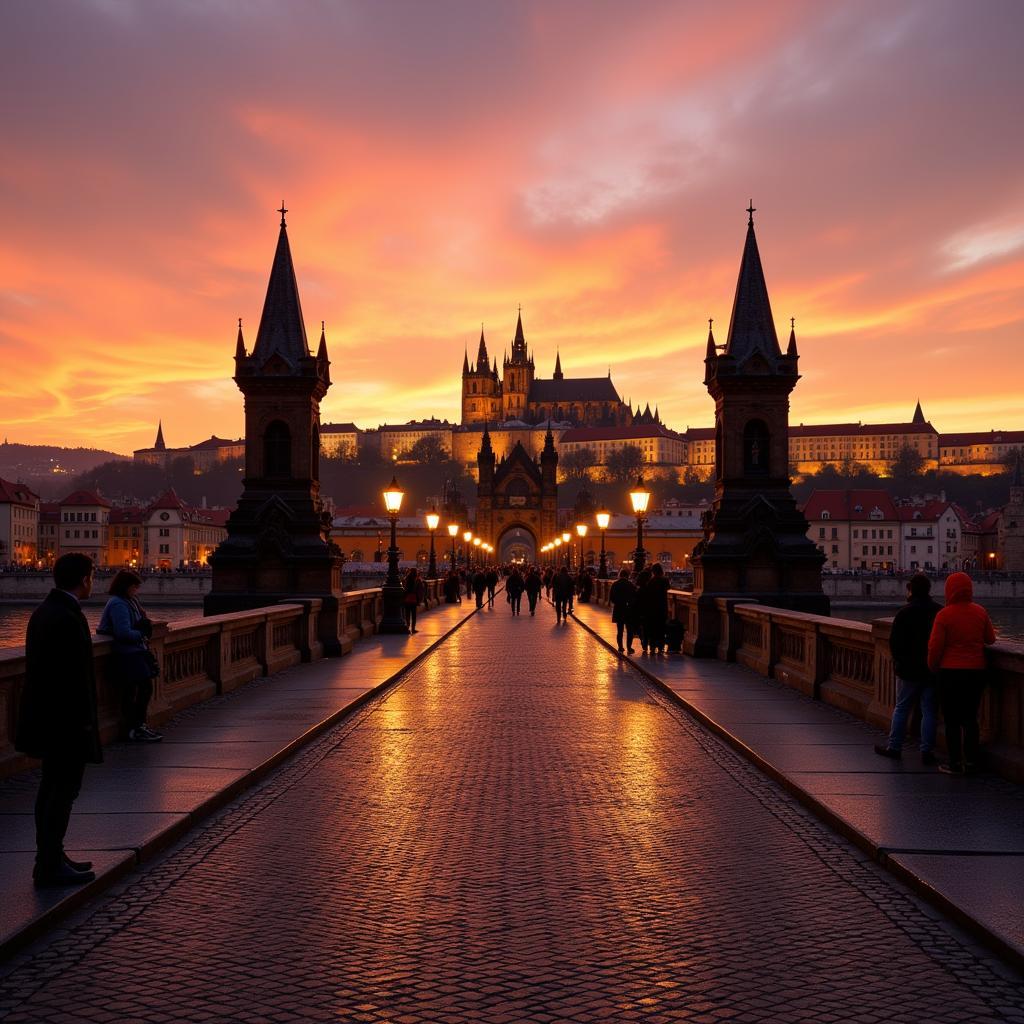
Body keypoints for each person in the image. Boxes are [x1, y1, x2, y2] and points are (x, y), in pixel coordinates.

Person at [15, 553, 102, 887]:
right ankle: (49, 863)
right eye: (92, 576)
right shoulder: (66, 617)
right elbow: (71, 679)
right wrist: (83, 725)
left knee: (52, 788)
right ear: (83, 579)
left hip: (49, 720)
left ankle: (51, 856)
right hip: (64, 724)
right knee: (61, 791)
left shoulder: (46, 611)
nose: (93, 581)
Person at [927, 571, 996, 775]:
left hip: (949, 673)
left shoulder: (944, 615)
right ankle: (972, 762)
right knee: (970, 718)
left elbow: (935, 647)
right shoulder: (980, 611)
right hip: (975, 672)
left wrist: (933, 667)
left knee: (952, 720)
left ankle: (955, 762)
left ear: (949, 590)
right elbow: (990, 639)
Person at [874, 574, 940, 764]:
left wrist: (899, 662)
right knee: (929, 711)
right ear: (929, 590)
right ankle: (927, 752)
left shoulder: (904, 613)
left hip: (909, 670)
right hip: (930, 669)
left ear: (911, 589)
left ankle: (894, 747)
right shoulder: (938, 611)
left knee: (901, 708)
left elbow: (895, 643)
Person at [97, 569, 162, 743]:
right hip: (127, 654)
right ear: (126, 587)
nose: (137, 590)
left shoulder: (129, 601)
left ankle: (138, 726)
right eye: (135, 586)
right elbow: (123, 633)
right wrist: (142, 633)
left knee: (138, 689)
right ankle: (135, 727)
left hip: (133, 652)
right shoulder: (119, 604)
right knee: (138, 689)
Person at [608, 568, 638, 653]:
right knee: (629, 630)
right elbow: (634, 598)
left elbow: (612, 598)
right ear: (627, 576)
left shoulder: (615, 584)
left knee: (620, 630)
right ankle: (629, 648)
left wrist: (618, 603)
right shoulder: (630, 585)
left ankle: (620, 647)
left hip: (618, 609)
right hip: (628, 610)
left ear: (620, 575)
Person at [643, 563, 670, 654]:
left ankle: (652, 647)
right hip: (662, 607)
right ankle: (661, 647)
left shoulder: (651, 581)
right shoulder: (665, 580)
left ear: (653, 571)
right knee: (661, 628)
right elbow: (668, 588)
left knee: (653, 628)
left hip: (652, 608)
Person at [401, 567, 426, 633]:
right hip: (414, 599)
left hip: (407, 599)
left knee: (407, 614)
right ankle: (413, 629)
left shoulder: (406, 579)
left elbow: (404, 588)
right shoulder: (417, 580)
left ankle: (407, 627)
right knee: (414, 615)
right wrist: (419, 599)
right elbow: (420, 590)